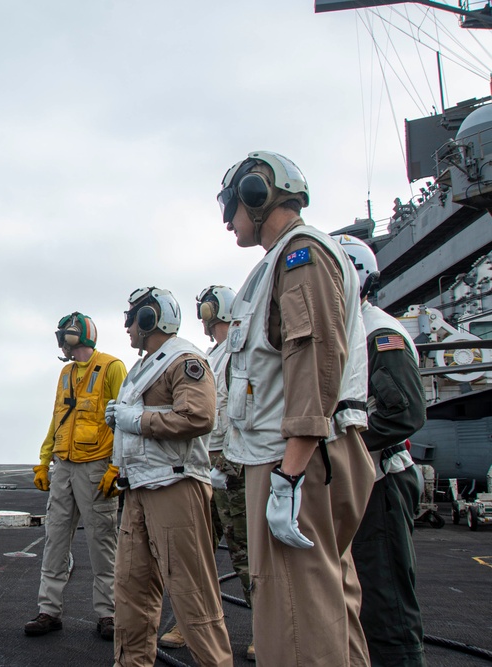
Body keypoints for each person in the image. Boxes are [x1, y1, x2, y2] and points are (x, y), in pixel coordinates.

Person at [217, 151, 375, 666]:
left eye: (231, 205)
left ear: (257, 196)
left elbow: (313, 360)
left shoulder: (298, 256)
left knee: (293, 618)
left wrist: (288, 475)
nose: (227, 220)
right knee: (326, 605)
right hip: (307, 455)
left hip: (296, 460)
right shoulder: (285, 261)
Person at [108, 287, 232, 667]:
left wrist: (137, 420)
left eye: (132, 318)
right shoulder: (143, 367)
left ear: (148, 319)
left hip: (175, 488)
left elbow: (198, 417)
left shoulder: (184, 359)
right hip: (140, 489)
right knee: (131, 591)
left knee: (192, 592)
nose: (127, 327)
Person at [334, 234, 428, 667]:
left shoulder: (378, 333)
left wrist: (334, 442)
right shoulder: (350, 332)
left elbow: (402, 413)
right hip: (359, 480)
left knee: (385, 602)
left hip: (381, 483)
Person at [158, 286, 255, 663]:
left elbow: (241, 408)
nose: (204, 313)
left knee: (244, 549)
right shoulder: (210, 355)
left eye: (206, 307)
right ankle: (193, 623)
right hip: (205, 461)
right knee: (198, 550)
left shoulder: (238, 352)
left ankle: (264, 626)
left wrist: (232, 458)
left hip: (231, 462)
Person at [25, 312, 127, 641]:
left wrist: (117, 466)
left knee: (102, 543)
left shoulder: (112, 367)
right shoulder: (65, 373)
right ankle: (48, 611)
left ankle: (109, 614)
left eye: (63, 336)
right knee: (55, 540)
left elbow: (123, 419)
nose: (61, 343)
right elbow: (58, 418)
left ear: (74, 336)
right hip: (64, 467)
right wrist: (44, 460)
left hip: (96, 466)